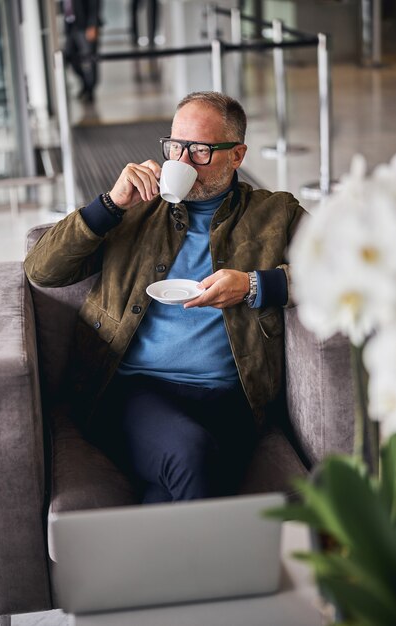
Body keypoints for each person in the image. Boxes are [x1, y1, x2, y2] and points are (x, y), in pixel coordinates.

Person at [24, 91, 306, 504]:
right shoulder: (134, 208)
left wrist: (254, 285)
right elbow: (41, 269)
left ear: (238, 155)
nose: (183, 161)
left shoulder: (275, 214)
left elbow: (343, 271)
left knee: (186, 470)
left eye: (201, 151)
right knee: (190, 453)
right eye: (175, 146)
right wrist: (109, 204)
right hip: (137, 391)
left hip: (233, 398)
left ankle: (157, 549)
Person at [63, 0, 102, 103]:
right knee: (70, 56)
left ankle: (90, 90)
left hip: (85, 25)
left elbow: (95, 3)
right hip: (70, 26)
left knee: (88, 59)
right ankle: (85, 83)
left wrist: (93, 24)